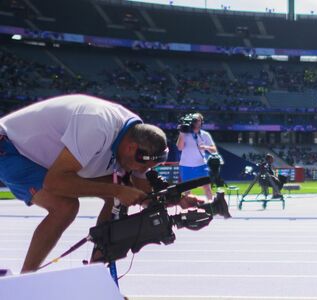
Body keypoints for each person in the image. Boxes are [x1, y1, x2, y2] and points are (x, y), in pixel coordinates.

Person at [0, 94, 201, 273]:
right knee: (65, 207)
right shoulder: (96, 127)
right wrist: (118, 189)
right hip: (11, 148)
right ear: (131, 148)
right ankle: (25, 282)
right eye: (141, 166)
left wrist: (178, 200)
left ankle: (96, 270)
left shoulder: (134, 138)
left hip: (48, 161)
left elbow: (141, 192)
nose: (139, 172)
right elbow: (55, 182)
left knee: (118, 196)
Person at [176, 113, 217, 200]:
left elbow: (214, 150)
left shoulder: (205, 134)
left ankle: (212, 208)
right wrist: (182, 133)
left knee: (207, 188)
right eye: (193, 120)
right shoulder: (185, 133)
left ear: (201, 122)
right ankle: (190, 210)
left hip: (201, 165)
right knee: (187, 190)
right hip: (186, 165)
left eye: (197, 120)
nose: (195, 122)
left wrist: (205, 147)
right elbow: (180, 147)